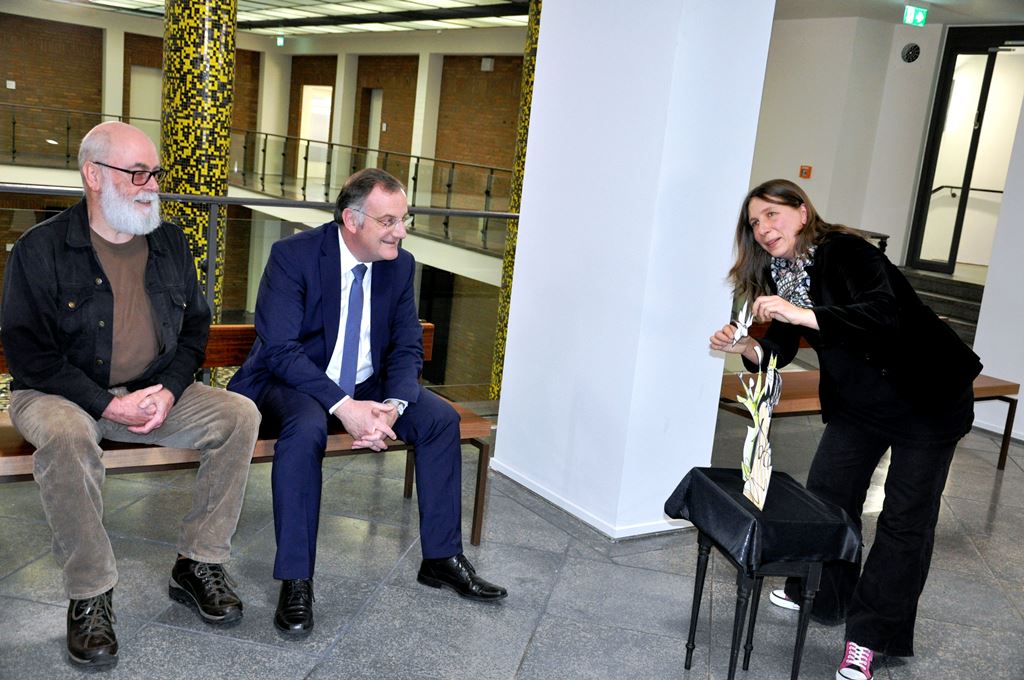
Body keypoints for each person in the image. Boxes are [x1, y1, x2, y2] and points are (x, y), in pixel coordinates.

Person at [1, 122, 261, 670]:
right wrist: (106, 404)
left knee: (239, 414)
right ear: (93, 176)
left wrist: (168, 390)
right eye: (137, 173)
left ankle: (200, 562)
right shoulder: (40, 249)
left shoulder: (168, 242)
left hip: (151, 389)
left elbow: (195, 329)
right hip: (58, 393)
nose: (151, 186)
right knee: (70, 437)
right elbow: (30, 355)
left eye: (155, 173)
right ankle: (90, 593)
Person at [709, 179, 981, 680]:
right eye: (754, 223)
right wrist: (745, 346)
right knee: (828, 497)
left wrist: (798, 313)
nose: (764, 229)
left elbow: (880, 314)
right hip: (862, 402)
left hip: (927, 396)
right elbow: (781, 351)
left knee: (905, 520)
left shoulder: (847, 251)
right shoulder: (783, 274)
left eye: (772, 214)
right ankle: (827, 598)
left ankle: (871, 638)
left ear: (802, 208)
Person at [228, 168, 507, 637]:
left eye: (404, 219)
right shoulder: (292, 256)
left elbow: (405, 346)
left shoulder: (399, 264)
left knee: (439, 419)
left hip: (369, 387)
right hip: (291, 382)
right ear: (351, 220)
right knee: (306, 428)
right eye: (389, 221)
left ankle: (440, 558)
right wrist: (345, 407)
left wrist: (394, 405)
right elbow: (280, 350)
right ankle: (296, 579)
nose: (401, 231)